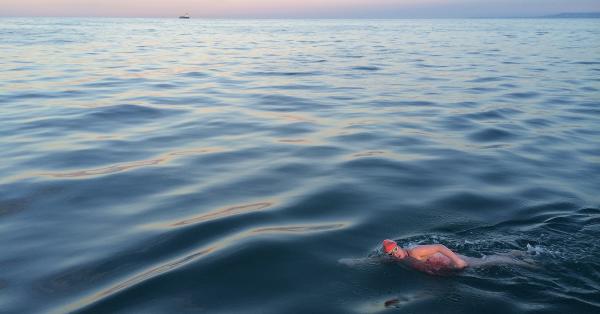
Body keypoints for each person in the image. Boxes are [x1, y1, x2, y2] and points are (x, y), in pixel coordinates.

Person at [383, 239, 468, 273]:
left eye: (395, 250)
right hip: (445, 267)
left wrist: (458, 261)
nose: (395, 254)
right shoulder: (400, 258)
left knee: (480, 265)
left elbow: (439, 247)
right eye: (391, 253)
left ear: (399, 246)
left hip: (453, 262)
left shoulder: (414, 251)